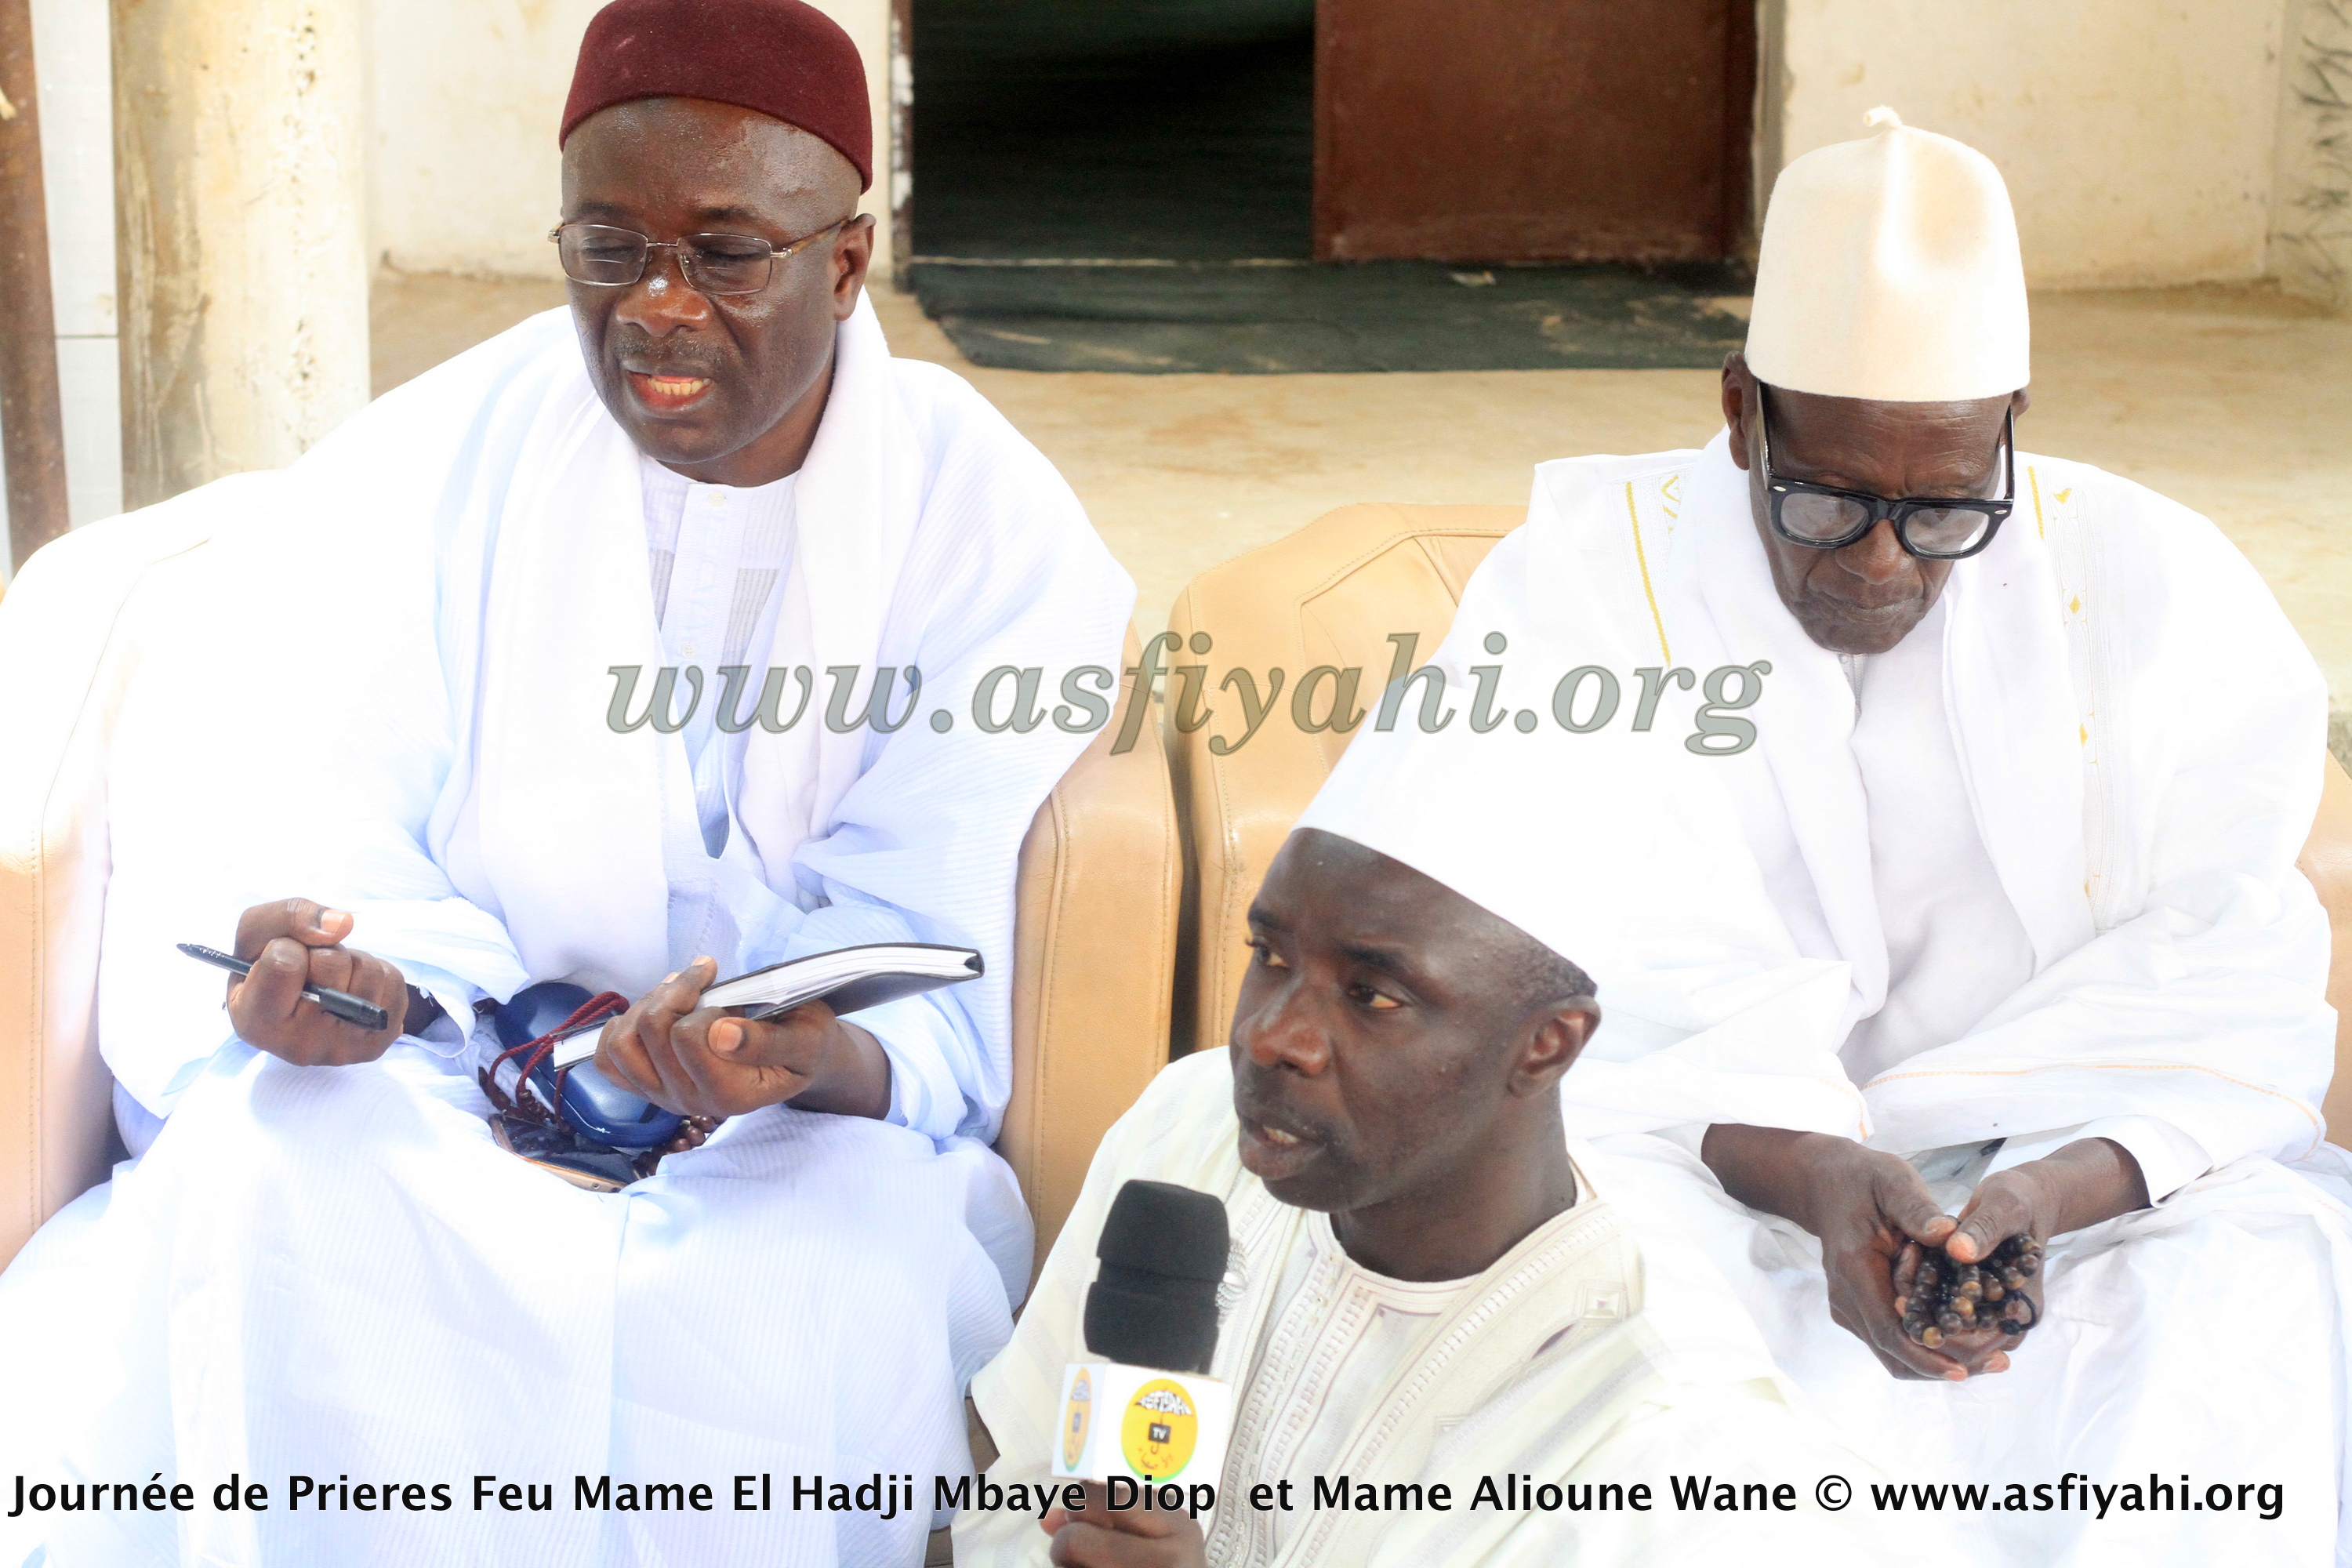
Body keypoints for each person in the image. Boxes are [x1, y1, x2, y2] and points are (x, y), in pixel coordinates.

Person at [0, 2, 1131, 1564]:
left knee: (847, 1290)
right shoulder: (435, 458)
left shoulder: (986, 524)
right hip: (457, 1080)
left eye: (725, 253)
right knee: (273, 1177)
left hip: (793, 1136)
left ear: (845, 264)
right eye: (610, 249)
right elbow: (295, 807)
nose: (657, 308)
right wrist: (347, 991)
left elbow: (939, 939)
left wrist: (805, 1058)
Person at [1319, 107, 2352, 1563]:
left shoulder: (2152, 589)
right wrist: (1819, 1179)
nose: (1882, 563)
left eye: (1944, 512)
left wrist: (2034, 1204)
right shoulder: (1586, 588)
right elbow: (1483, 974)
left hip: (2073, 1176)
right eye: (1827, 501)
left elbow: (2225, 981)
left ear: (2010, 428)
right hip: (1675, 1160)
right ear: (1744, 411)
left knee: (2241, 1327)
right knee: (1602, 1358)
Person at [956, 734, 1905, 1566]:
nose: (1271, 1036)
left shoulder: (1666, 1454)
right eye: (1272, 955)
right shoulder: (1192, 1121)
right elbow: (1010, 1480)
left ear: (1547, 1044)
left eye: (1373, 995)